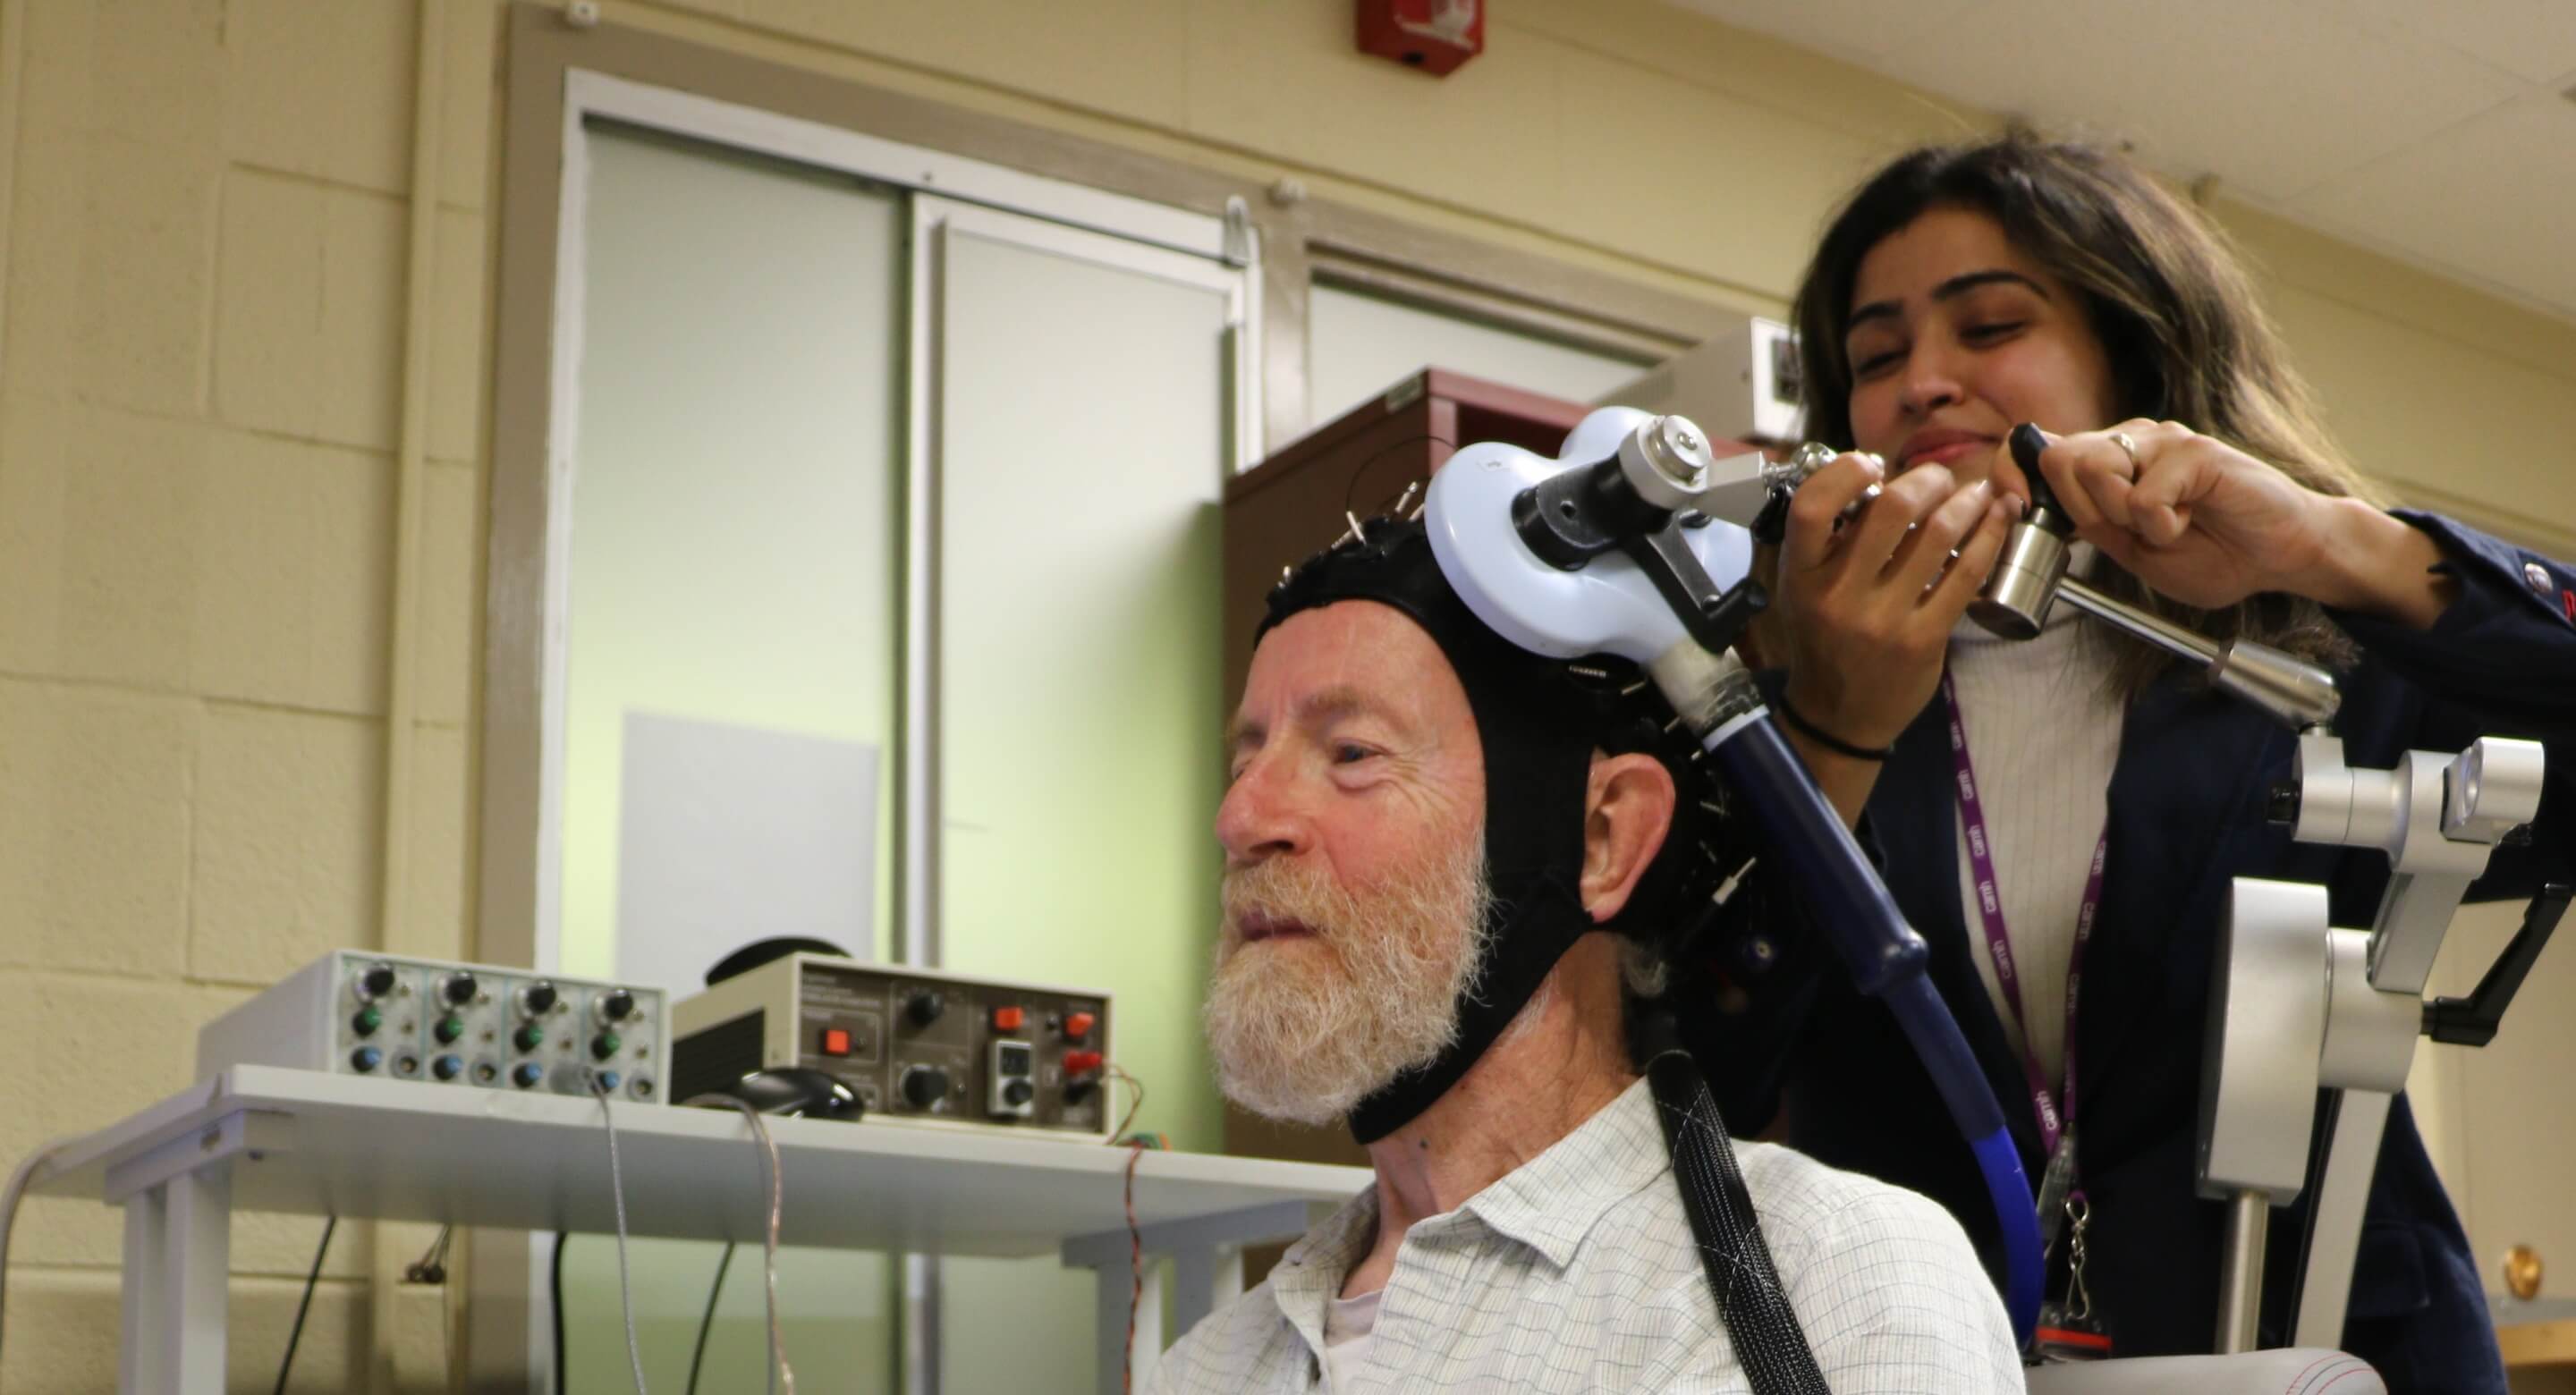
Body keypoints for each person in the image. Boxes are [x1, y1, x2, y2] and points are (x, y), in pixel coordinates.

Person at [1690, 131, 2576, 1389]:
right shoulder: (1777, 724)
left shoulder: (2318, 669)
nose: (1923, 383)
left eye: (1989, 328)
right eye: (1876, 355)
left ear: (2135, 355)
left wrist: (2336, 550)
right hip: (1932, 1360)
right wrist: (1835, 730)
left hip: (2320, 1350)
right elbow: (1688, 1072)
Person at [1151, 520, 2025, 1393]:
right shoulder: (1203, 1369)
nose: (1241, 819)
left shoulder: (1845, 1281)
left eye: (1351, 753)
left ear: (1603, 837)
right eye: (1246, 756)